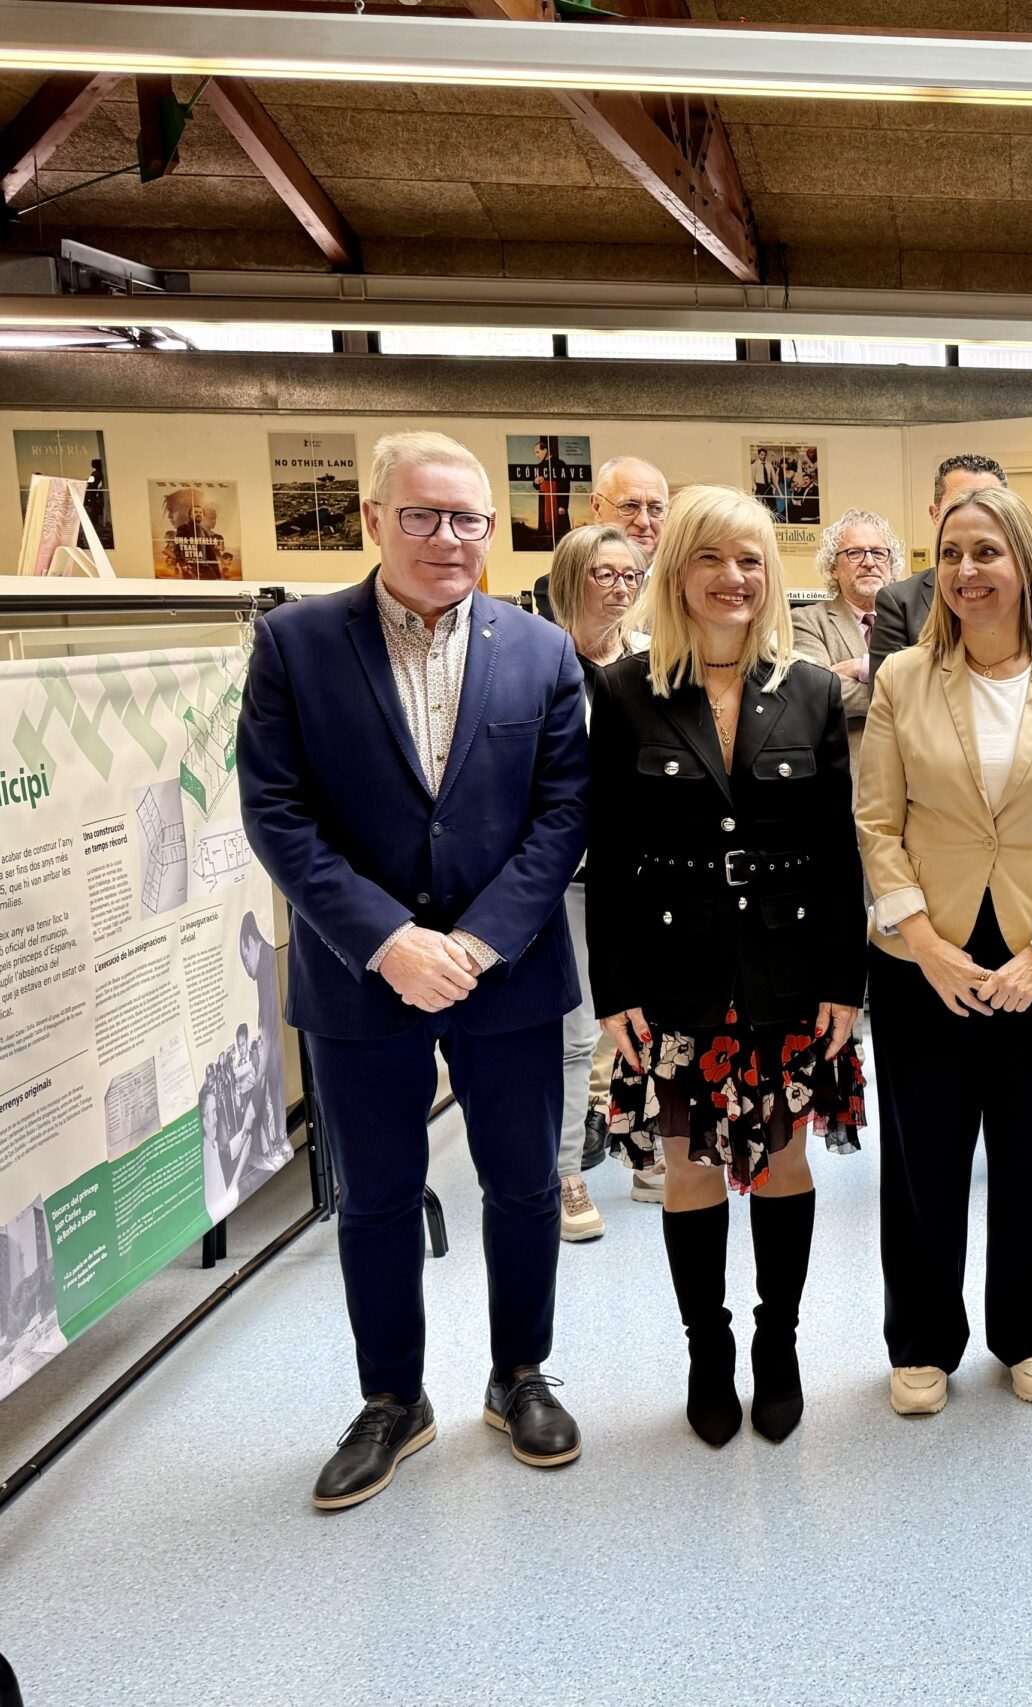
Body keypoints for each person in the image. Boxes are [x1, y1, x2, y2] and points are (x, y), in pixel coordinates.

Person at [238, 431, 588, 1511]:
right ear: (374, 519)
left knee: (524, 1185)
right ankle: (393, 1399)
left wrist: (476, 942)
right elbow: (277, 812)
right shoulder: (295, 643)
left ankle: (519, 1373)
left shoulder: (542, 651)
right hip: (361, 975)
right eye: (423, 515)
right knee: (379, 1196)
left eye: (468, 518)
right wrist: (388, 940)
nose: (448, 538)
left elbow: (563, 815)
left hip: (506, 972)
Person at [586, 484, 864, 1446]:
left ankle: (777, 1344)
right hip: (675, 973)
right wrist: (614, 987)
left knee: (784, 1160)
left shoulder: (812, 689)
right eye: (709, 556)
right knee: (689, 1168)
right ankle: (708, 1348)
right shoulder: (626, 692)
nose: (732, 577)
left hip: (789, 971)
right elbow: (610, 854)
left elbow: (837, 852)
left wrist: (845, 981)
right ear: (677, 571)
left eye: (749, 559)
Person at [859, 486, 1032, 1416]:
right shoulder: (902, 679)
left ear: (1025, 564)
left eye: (986, 551)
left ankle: (1028, 1330)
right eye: (950, 553)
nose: (966, 570)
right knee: (922, 1159)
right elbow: (876, 822)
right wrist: (924, 943)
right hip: (922, 958)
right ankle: (921, 1339)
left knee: (1031, 1154)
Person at [543, 522, 646, 1241]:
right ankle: (564, 1174)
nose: (618, 587)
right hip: (573, 874)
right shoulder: (540, 660)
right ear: (569, 579)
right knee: (577, 1033)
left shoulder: (652, 658)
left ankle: (648, 1151)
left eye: (629, 575)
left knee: (655, 1021)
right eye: (602, 573)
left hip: (647, 871)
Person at [867, 454, 1032, 677]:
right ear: (936, 515)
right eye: (959, 503)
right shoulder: (900, 606)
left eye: (987, 552)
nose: (972, 510)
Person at [792, 508, 896, 803]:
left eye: (878, 553)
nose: (869, 562)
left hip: (913, 786)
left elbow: (934, 689)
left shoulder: (915, 621)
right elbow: (817, 696)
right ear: (833, 568)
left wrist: (863, 668)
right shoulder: (806, 621)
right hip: (848, 786)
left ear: (890, 565)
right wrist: (902, 693)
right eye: (855, 553)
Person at [532, 454, 665, 623]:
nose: (644, 522)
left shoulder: (685, 584)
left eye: (656, 508)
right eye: (629, 506)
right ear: (597, 507)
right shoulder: (563, 587)